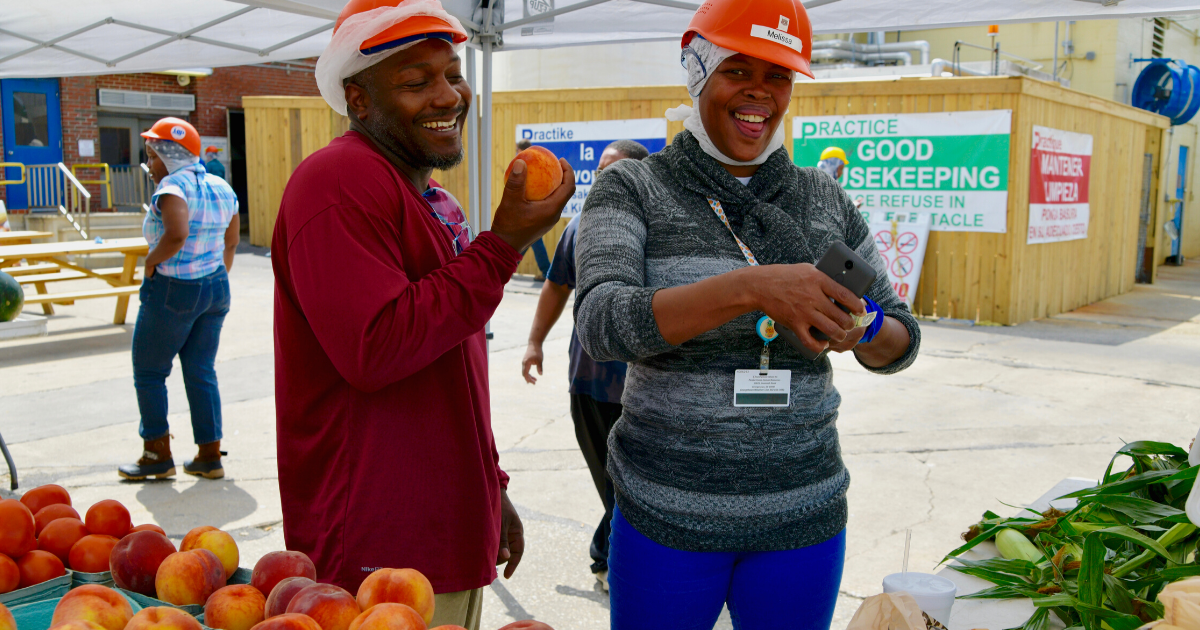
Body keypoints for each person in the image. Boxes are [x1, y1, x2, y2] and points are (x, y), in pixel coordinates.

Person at [573, 0, 921, 627]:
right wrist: (750, 289)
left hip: (803, 514)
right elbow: (601, 323)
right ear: (697, 68)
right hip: (667, 514)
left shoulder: (822, 198)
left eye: (779, 76)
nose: (760, 92)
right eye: (738, 70)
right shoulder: (633, 188)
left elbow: (901, 337)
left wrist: (861, 328)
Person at [272, 0, 573, 627]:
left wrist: (490, 486)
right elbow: (376, 348)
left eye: (452, 74)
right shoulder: (338, 180)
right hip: (378, 546)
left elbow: (452, 359)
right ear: (358, 100)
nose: (448, 96)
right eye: (416, 82)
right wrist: (502, 245)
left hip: (436, 528)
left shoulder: (428, 194)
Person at [520, 139, 650, 592]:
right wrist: (534, 342)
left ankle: (609, 560)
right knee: (612, 486)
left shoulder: (660, 229)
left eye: (615, 171)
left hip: (648, 389)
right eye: (601, 170)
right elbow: (556, 287)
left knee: (634, 489)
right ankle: (610, 559)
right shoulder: (578, 228)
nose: (603, 179)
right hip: (590, 385)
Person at [118, 117, 240, 482]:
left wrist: (150, 264)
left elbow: (176, 233)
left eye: (153, 156)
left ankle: (157, 453)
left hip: (174, 288)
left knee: (150, 372)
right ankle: (209, 455)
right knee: (201, 370)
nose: (150, 165)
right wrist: (215, 275)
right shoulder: (221, 186)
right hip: (215, 287)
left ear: (167, 157)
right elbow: (231, 242)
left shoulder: (172, 187)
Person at [517, 138, 553, 280]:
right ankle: (546, 272)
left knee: (532, 240)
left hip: (529, 207)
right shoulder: (537, 162)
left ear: (520, 150)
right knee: (528, 240)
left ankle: (547, 272)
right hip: (537, 205)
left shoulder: (523, 164)